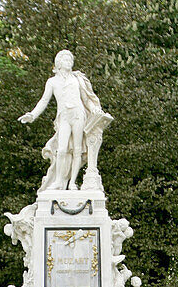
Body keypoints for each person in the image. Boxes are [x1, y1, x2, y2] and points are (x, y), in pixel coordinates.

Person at [19, 50, 112, 191]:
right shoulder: (52, 82)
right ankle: (58, 182)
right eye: (66, 60)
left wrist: (94, 108)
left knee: (77, 150)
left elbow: (86, 99)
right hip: (64, 117)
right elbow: (44, 101)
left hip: (78, 115)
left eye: (70, 60)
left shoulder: (77, 79)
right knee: (61, 150)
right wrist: (32, 115)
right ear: (59, 63)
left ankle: (72, 182)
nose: (69, 62)